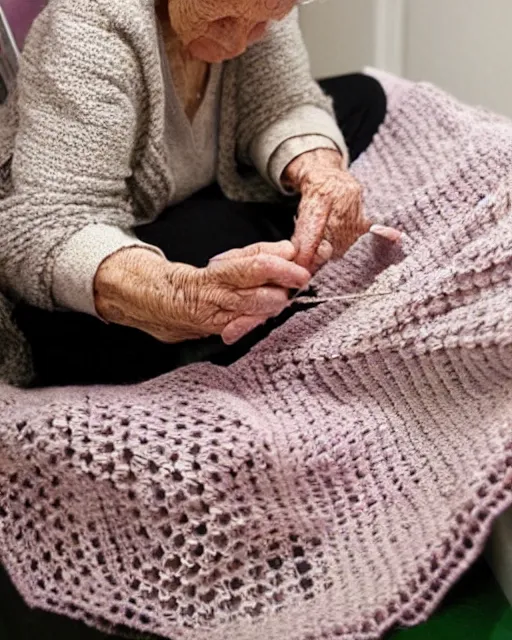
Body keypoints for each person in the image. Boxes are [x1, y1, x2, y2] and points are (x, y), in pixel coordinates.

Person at [0, 0, 398, 387]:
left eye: (263, 21)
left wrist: (322, 173)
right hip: (87, 266)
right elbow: (49, 227)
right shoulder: (90, 25)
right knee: (215, 242)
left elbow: (284, 103)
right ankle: (244, 290)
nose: (239, 44)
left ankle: (265, 264)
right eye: (224, 17)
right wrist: (171, 293)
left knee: (364, 96)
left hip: (193, 199)